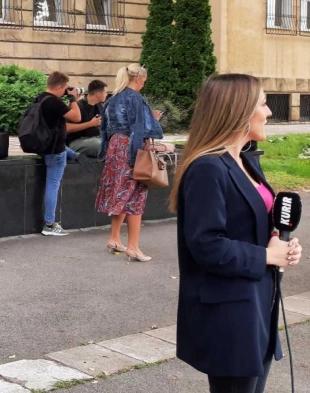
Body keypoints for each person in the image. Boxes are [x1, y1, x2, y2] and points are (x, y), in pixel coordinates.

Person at [172, 74, 302, 392]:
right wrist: (266, 255)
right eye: (263, 104)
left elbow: (245, 224)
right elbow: (207, 246)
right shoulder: (207, 169)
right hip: (230, 314)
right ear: (239, 110)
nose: (269, 112)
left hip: (258, 303)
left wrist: (279, 245)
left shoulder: (244, 160)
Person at [95, 64, 164, 261]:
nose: (144, 83)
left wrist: (106, 152)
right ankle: (133, 247)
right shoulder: (136, 98)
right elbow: (144, 129)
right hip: (131, 148)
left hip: (115, 148)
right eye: (144, 80)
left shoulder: (112, 99)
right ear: (139, 78)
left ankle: (115, 238)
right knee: (135, 195)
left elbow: (104, 129)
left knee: (121, 193)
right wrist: (154, 119)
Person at [37, 72, 82, 237]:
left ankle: (76, 155)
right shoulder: (54, 102)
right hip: (55, 151)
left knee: (69, 155)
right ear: (59, 87)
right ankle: (49, 224)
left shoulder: (40, 98)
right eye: (65, 88)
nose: (65, 91)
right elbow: (77, 117)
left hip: (46, 147)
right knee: (53, 185)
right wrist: (73, 98)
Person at [65, 79, 107, 158]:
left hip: (95, 138)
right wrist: (90, 124)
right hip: (75, 141)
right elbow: (66, 128)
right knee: (100, 145)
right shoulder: (78, 106)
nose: (106, 95)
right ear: (98, 94)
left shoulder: (100, 107)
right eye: (105, 92)